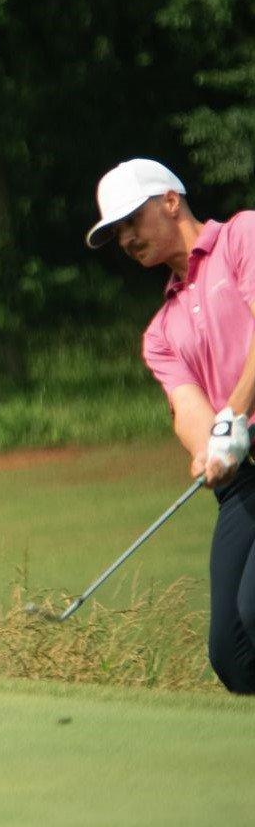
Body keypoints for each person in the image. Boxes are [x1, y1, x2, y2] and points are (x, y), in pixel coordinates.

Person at [87, 158, 255, 693]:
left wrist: (234, 411)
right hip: (244, 481)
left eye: (131, 221)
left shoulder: (242, 237)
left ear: (169, 200)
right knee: (232, 652)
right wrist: (210, 447)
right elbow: (187, 408)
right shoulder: (160, 332)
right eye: (117, 233)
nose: (126, 238)